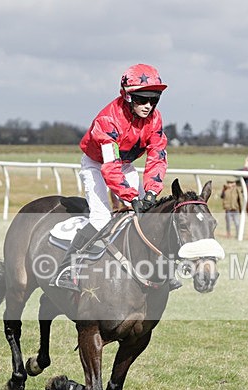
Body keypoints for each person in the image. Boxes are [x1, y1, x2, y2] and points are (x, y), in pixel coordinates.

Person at [52, 64, 168, 291]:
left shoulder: (155, 119)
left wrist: (152, 191)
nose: (148, 105)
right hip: (97, 165)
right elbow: (110, 167)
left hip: (124, 165)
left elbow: (157, 157)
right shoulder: (108, 120)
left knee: (149, 215)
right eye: (142, 99)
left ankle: (161, 269)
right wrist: (132, 197)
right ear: (128, 96)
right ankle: (66, 269)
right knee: (101, 218)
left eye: (154, 99)